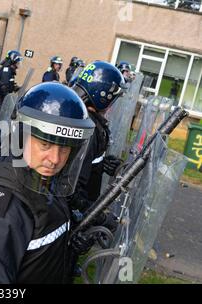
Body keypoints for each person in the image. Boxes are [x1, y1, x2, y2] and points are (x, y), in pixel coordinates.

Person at [0, 82, 95, 283]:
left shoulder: (40, 177)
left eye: (64, 148)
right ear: (21, 137)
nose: (54, 159)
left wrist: (68, 246)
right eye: (45, 144)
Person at [67, 61, 126, 277]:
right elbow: (72, 188)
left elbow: (82, 167)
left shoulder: (82, 117)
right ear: (104, 96)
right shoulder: (89, 129)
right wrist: (97, 217)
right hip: (69, 219)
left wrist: (101, 164)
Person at [0, 50, 23, 121]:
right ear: (13, 60)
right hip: (0, 98)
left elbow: (8, 84)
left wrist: (15, 87)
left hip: (3, 98)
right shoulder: (6, 70)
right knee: (0, 119)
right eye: (17, 61)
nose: (18, 63)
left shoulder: (9, 70)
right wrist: (10, 103)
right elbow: (4, 87)